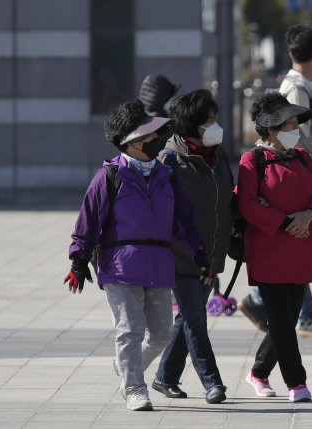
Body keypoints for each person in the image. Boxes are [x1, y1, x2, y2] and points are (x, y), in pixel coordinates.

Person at [64, 99, 210, 411]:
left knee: (161, 333)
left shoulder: (166, 175)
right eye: (151, 135)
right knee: (129, 331)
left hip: (158, 265)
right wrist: (78, 260)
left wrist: (200, 253)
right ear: (132, 141)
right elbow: (87, 222)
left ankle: (126, 368)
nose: (158, 139)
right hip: (120, 266)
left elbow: (185, 220)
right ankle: (134, 389)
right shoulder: (109, 177)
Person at [238, 23, 312, 339]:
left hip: (300, 173)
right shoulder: (297, 88)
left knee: (297, 246)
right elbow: (306, 140)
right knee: (293, 246)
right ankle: (301, 315)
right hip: (290, 174)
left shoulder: (302, 84)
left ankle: (272, 305)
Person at [239, 92, 312, 402]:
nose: (295, 130)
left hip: (303, 249)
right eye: (288, 125)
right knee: (281, 321)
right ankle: (297, 383)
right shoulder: (252, 160)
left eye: (295, 123)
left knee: (287, 320)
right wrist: (284, 222)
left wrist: (308, 215)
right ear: (270, 129)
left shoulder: (303, 156)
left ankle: (258, 373)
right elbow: (247, 204)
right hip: (270, 252)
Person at [148, 89, 232, 404]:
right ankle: (213, 383)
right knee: (196, 319)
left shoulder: (219, 155)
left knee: (188, 317)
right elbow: (158, 214)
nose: (216, 126)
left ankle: (165, 376)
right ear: (192, 126)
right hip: (180, 257)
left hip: (211, 253)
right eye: (209, 121)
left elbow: (227, 199)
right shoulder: (168, 160)